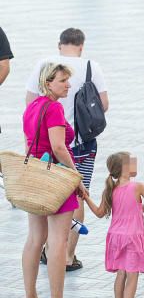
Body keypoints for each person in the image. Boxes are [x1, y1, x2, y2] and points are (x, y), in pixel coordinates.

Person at [26, 28, 111, 273]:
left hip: (45, 152)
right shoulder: (91, 66)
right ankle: (68, 255)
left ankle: (49, 249)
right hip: (80, 142)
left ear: (60, 45)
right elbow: (103, 104)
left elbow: (30, 104)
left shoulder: (44, 64)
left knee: (48, 200)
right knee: (78, 195)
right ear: (81, 46)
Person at [20, 63, 86, 298]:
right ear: (48, 83)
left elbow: (28, 143)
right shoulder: (55, 108)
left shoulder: (32, 107)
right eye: (63, 81)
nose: (68, 85)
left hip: (34, 175)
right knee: (58, 240)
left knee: (35, 238)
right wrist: (75, 176)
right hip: (55, 178)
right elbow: (59, 147)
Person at [81, 152, 144, 298]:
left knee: (121, 273)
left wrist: (86, 198)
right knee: (133, 274)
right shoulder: (138, 186)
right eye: (131, 162)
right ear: (125, 168)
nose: (134, 164)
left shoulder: (110, 189)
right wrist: (143, 206)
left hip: (115, 236)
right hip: (132, 236)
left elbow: (100, 213)